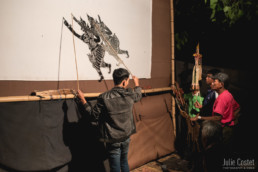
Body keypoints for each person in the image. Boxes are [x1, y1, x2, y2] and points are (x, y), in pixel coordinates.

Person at [76, 68, 142, 172]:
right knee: (124, 162)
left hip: (113, 139)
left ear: (114, 80)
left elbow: (93, 116)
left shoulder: (104, 97)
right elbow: (138, 95)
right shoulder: (130, 94)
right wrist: (137, 84)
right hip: (126, 136)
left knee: (115, 167)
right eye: (128, 81)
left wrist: (83, 100)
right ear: (124, 81)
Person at [191, 72, 240, 153]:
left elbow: (218, 118)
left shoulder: (222, 98)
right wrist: (232, 118)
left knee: (222, 153)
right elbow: (237, 107)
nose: (212, 83)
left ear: (221, 84)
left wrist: (199, 117)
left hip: (224, 129)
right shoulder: (228, 94)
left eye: (214, 82)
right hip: (229, 128)